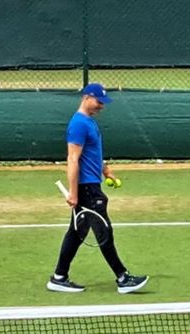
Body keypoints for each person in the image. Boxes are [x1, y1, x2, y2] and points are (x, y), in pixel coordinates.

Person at [47, 83, 149, 294]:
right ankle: (122, 278)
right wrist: (74, 192)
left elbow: (91, 154)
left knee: (77, 232)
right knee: (104, 232)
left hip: (92, 184)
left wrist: (105, 170)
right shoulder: (78, 124)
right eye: (99, 101)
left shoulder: (89, 122)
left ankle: (59, 276)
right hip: (87, 189)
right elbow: (73, 159)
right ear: (87, 97)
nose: (102, 106)